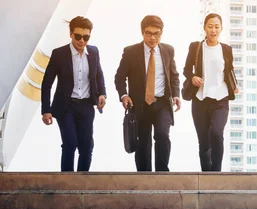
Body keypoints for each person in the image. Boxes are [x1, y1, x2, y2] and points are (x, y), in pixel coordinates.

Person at [115, 15, 181, 172]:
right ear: (142, 33)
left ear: (161, 33)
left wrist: (176, 94)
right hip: (140, 104)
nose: (152, 37)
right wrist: (124, 95)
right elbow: (119, 77)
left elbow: (174, 75)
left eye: (156, 34)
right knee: (143, 141)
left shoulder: (168, 50)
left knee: (162, 135)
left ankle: (162, 174)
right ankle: (144, 177)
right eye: (148, 33)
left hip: (162, 103)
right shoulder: (131, 52)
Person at [41, 16, 107, 172]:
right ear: (71, 34)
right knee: (70, 143)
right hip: (65, 106)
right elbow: (47, 83)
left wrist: (102, 94)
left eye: (86, 37)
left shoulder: (94, 52)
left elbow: (99, 74)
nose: (82, 40)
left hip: (86, 105)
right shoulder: (59, 54)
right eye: (78, 36)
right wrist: (46, 110)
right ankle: (67, 182)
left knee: (86, 146)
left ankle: (82, 183)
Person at [183, 13, 238, 172]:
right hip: (200, 99)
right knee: (204, 142)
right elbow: (187, 70)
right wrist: (193, 77)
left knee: (216, 132)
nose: (213, 30)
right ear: (204, 28)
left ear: (221, 29)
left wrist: (234, 85)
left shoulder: (226, 49)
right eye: (210, 26)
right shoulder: (196, 47)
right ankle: (206, 174)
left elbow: (230, 70)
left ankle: (216, 172)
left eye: (216, 27)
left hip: (221, 99)